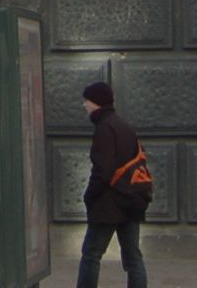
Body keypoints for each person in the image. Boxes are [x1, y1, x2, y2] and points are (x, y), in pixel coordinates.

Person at [78, 80, 150, 288]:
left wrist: (89, 196)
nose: (84, 105)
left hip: (108, 204)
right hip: (131, 200)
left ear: (97, 103)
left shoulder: (104, 128)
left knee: (91, 254)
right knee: (133, 257)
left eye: (87, 101)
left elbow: (103, 171)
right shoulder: (124, 125)